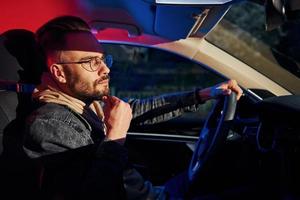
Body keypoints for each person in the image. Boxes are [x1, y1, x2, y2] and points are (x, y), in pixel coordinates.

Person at [20, 16, 243, 199]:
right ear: (59, 73)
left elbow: (136, 110)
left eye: (103, 59)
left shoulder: (84, 105)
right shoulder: (50, 125)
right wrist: (116, 135)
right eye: (91, 62)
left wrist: (202, 95)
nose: (105, 69)